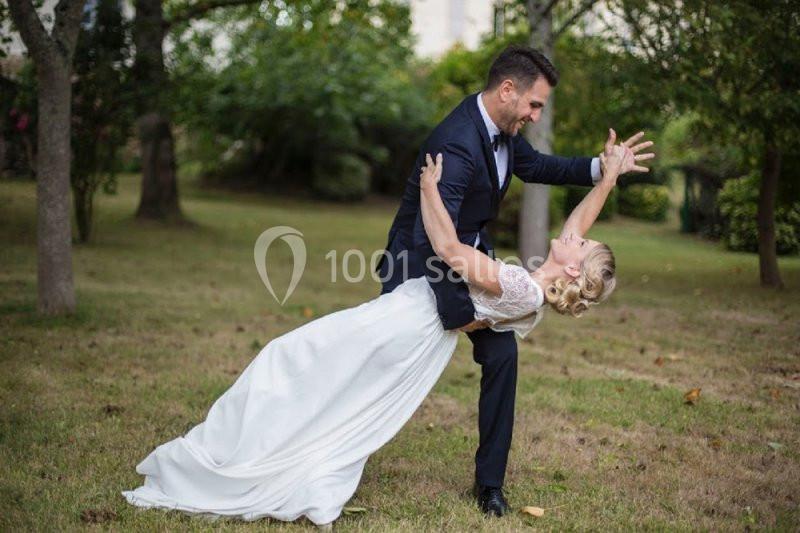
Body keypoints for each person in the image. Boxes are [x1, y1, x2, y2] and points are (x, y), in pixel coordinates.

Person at [121, 130, 637, 528]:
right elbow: (579, 222)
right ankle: (256, 448)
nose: (574, 234)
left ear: (573, 270)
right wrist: (608, 176)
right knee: (316, 374)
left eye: (582, 245)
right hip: (413, 315)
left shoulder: (523, 289)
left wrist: (429, 191)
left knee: (290, 357)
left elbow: (452, 252)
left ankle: (240, 463)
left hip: (407, 322)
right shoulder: (539, 283)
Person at [377, 44, 653, 516]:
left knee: (502, 355)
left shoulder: (502, 131)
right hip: (420, 269)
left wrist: (604, 171)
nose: (535, 115)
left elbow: (540, 168)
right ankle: (348, 443)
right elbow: (430, 239)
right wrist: (461, 317)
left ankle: (489, 485)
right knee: (385, 367)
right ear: (508, 90)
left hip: (469, 262)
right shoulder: (458, 141)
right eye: (534, 104)